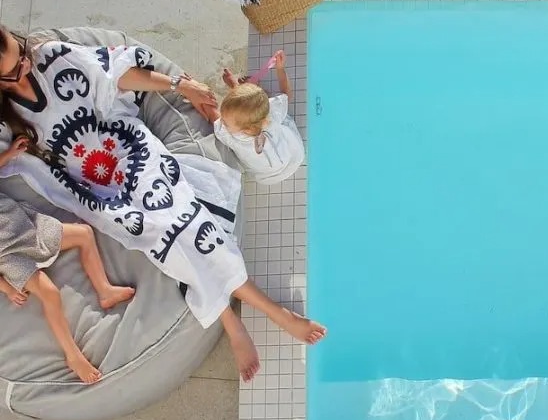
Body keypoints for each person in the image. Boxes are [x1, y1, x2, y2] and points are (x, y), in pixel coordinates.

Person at [0, 25, 325, 383]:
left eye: (22, 54)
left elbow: (115, 76)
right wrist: (12, 154)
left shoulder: (51, 56)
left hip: (132, 149)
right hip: (97, 189)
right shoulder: (5, 117)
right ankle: (246, 316)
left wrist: (179, 85)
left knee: (181, 220)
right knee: (160, 236)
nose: (26, 67)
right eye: (13, 72)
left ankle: (259, 316)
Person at [0, 139, 135, 383]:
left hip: (28, 227)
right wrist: (6, 288)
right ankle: (73, 356)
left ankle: (105, 290)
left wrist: (9, 153)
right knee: (50, 293)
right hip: (8, 254)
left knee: (84, 234)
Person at [217, 50, 305, 185]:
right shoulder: (270, 116)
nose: (223, 121)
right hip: (294, 157)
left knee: (247, 113)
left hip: (266, 177)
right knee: (270, 109)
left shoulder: (230, 135)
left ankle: (250, 96)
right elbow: (286, 94)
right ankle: (255, 96)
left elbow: (212, 111)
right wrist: (280, 68)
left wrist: (235, 88)